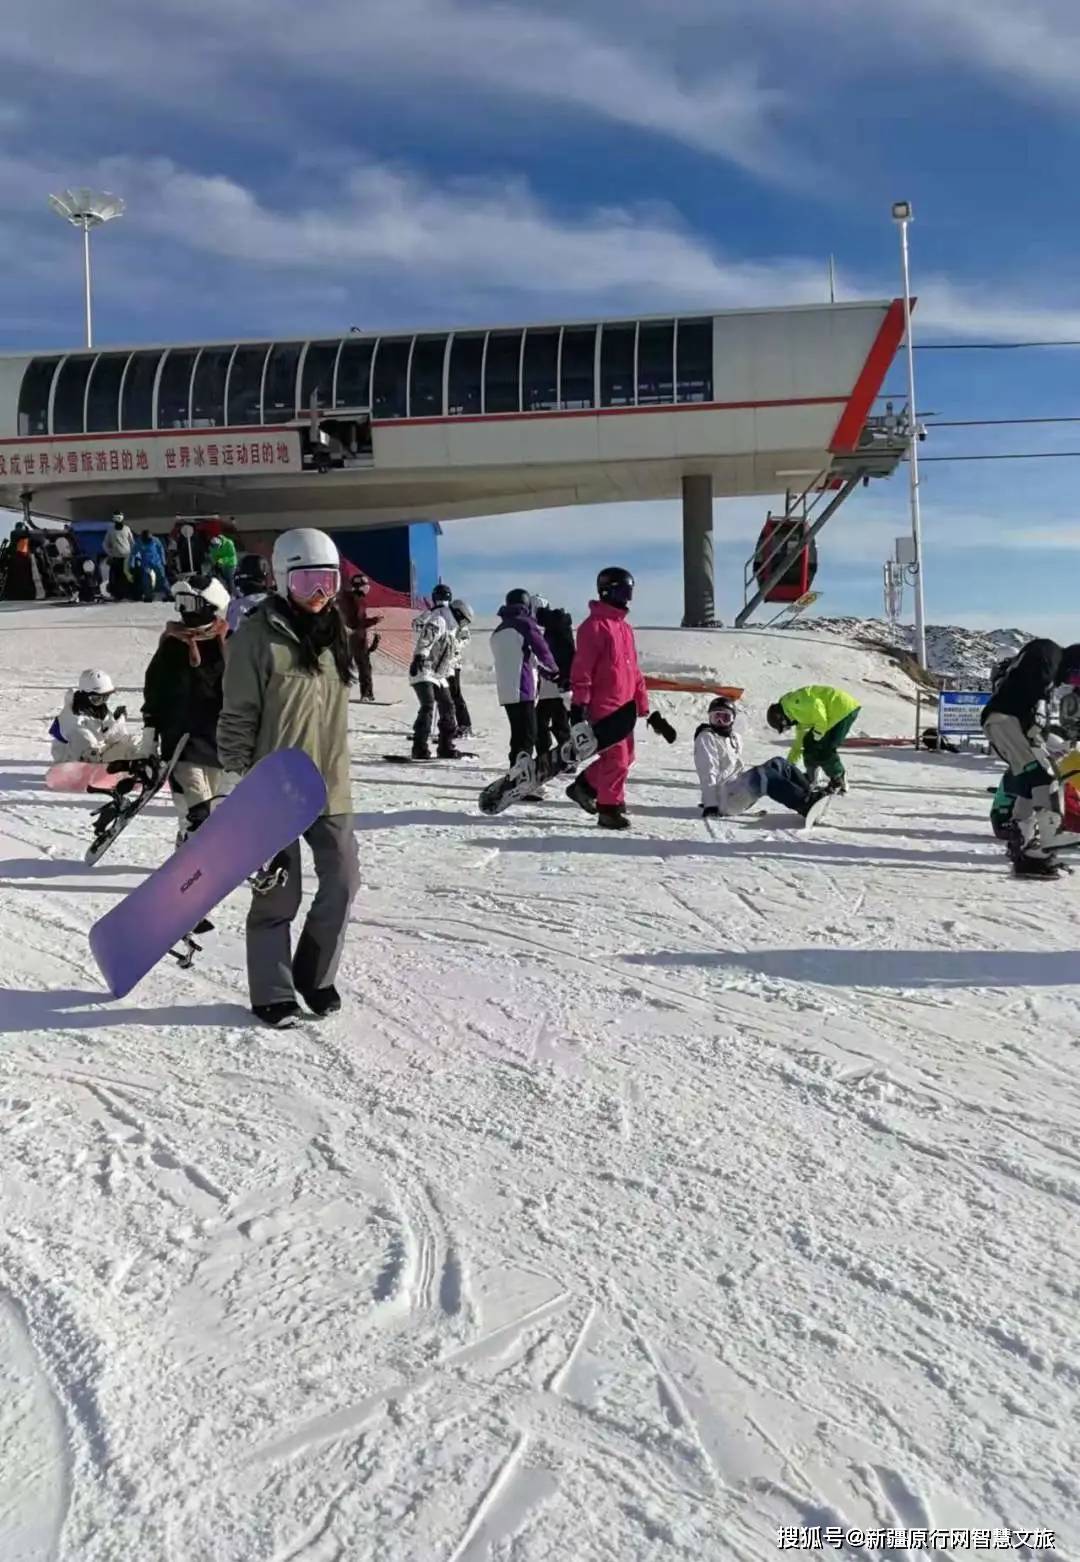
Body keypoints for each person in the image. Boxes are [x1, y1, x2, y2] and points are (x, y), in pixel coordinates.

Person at [218, 527, 360, 1027]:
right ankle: (272, 991)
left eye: (328, 583)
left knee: (342, 881)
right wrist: (235, 780)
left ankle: (314, 976)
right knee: (279, 893)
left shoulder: (335, 633)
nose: (320, 596)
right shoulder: (256, 635)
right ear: (282, 580)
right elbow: (237, 712)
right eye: (307, 585)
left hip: (330, 781)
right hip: (272, 785)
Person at [142, 574, 231, 842]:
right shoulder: (172, 645)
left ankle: (193, 855)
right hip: (180, 741)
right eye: (178, 602)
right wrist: (150, 736)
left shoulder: (228, 643)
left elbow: (244, 691)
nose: (182, 611)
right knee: (197, 812)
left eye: (188, 603)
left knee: (217, 811)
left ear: (211, 604)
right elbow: (154, 691)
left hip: (219, 742)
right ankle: (191, 852)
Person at [981, 638, 1080, 877]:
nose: (1071, 682)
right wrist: (1038, 727)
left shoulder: (1046, 662)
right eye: (1075, 676)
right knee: (1044, 776)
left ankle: (1027, 850)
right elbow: (1037, 688)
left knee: (1029, 782)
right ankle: (1048, 838)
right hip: (1009, 719)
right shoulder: (1049, 651)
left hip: (1004, 719)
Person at [568, 567, 651, 830]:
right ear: (607, 591)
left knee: (627, 758)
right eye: (622, 591)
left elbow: (634, 670)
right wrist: (579, 704)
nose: (627, 598)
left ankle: (585, 787)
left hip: (624, 705)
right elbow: (582, 669)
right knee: (615, 759)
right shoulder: (593, 628)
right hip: (604, 706)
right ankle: (609, 808)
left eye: (629, 592)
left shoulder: (625, 629)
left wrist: (641, 699)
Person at [695, 697, 826, 820]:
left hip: (736, 789)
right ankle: (805, 805)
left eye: (725, 717)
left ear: (733, 719)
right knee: (763, 775)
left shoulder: (733, 737)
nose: (720, 722)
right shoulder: (706, 738)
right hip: (723, 801)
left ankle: (810, 793)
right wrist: (710, 804)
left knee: (779, 763)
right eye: (715, 717)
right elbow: (707, 771)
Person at [490, 589, 559, 768]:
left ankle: (516, 771)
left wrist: (545, 672)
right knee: (528, 736)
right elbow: (541, 651)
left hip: (506, 690)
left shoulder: (499, 629)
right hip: (523, 688)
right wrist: (554, 671)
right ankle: (521, 777)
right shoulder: (525, 624)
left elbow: (524, 658)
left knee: (518, 734)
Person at [766, 685, 861, 793]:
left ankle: (838, 777)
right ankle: (812, 778)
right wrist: (788, 767)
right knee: (808, 743)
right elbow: (798, 746)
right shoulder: (797, 717)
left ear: (782, 718)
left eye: (785, 726)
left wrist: (819, 731)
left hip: (842, 708)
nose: (788, 727)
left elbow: (816, 705)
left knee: (826, 747)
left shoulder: (793, 703)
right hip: (830, 715)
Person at [409, 592, 470, 759]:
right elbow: (426, 637)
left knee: (448, 707)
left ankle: (445, 746)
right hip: (423, 669)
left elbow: (448, 656)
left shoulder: (452, 630)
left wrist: (448, 674)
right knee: (428, 705)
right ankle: (419, 747)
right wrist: (420, 655)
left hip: (438, 674)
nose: (463, 624)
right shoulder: (439, 620)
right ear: (457, 614)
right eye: (463, 620)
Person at [50, 669, 137, 763]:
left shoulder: (100, 710)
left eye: (105, 697)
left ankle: (143, 766)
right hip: (73, 760)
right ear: (84, 695)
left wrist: (117, 722)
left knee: (133, 742)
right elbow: (86, 743)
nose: (101, 702)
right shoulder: (72, 716)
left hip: (99, 755)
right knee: (86, 739)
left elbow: (112, 738)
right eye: (97, 699)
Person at [534, 598, 575, 763]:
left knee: (550, 724)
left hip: (556, 684)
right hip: (557, 685)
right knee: (559, 725)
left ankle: (560, 757)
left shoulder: (553, 628)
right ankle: (567, 757)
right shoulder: (558, 626)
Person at [338, 571, 382, 701]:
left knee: (347, 666)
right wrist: (374, 620)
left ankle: (342, 692)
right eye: (365, 585)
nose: (367, 587)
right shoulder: (356, 601)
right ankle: (366, 694)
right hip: (356, 638)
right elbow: (356, 622)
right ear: (358, 586)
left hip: (350, 637)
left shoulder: (351, 599)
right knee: (364, 667)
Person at [129, 529, 168, 603]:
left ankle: (168, 593)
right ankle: (148, 596)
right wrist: (132, 564)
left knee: (162, 578)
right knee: (146, 580)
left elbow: (161, 549)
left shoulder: (156, 540)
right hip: (146, 564)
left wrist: (163, 561)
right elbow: (133, 554)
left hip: (157, 562)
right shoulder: (139, 542)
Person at [102, 512, 134, 600]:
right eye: (116, 519)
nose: (118, 521)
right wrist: (110, 553)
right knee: (114, 577)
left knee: (126, 577)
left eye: (119, 518)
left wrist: (132, 554)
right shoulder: (110, 530)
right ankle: (117, 595)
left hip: (126, 557)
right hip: (116, 558)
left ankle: (127, 594)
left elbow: (132, 542)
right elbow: (105, 544)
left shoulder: (127, 529)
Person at [207, 531, 238, 596]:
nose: (217, 548)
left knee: (229, 579)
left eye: (218, 547)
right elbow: (214, 556)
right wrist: (214, 563)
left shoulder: (229, 543)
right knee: (218, 578)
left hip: (230, 564)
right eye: (215, 547)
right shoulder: (212, 547)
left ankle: (232, 594)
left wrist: (221, 560)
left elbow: (232, 556)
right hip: (220, 564)